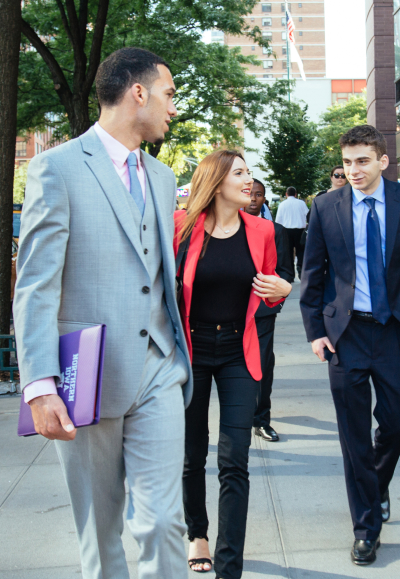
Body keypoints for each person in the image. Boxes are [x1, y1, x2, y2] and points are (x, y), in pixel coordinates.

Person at [13, 48, 193, 579]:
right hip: (86, 373)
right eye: (169, 95)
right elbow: (36, 287)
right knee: (100, 530)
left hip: (159, 368)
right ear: (138, 92)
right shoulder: (57, 168)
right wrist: (39, 383)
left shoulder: (161, 179)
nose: (173, 109)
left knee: (163, 522)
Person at [300, 125, 400, 566]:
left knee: (396, 426)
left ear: (383, 160)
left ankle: (375, 486)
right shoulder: (325, 207)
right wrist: (315, 331)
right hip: (347, 334)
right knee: (353, 436)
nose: (354, 170)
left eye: (362, 161)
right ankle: (366, 527)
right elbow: (313, 274)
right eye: (347, 162)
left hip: (397, 329)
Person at [174, 151, 292, 578]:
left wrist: (282, 290)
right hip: (191, 352)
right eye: (240, 173)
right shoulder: (180, 227)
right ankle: (197, 534)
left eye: (249, 172)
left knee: (234, 460)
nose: (250, 181)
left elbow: (269, 290)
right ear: (217, 180)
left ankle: (229, 566)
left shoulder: (262, 230)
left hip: (239, 353)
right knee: (191, 455)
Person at [244, 178, 293, 442]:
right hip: (228, 314)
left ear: (265, 199)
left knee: (262, 367)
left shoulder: (276, 231)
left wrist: (275, 299)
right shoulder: (224, 228)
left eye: (259, 195)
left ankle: (261, 420)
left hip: (262, 312)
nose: (253, 198)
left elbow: (286, 271)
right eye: (249, 194)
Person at [275, 186, 308, 280]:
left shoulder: (282, 204)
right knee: (301, 252)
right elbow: (308, 215)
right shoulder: (301, 203)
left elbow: (278, 220)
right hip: (300, 231)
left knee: (288, 253)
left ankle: (290, 275)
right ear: (296, 194)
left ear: (286, 194)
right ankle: (302, 273)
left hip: (286, 231)